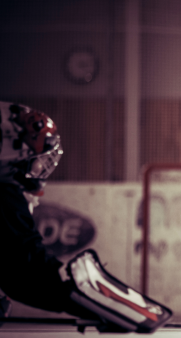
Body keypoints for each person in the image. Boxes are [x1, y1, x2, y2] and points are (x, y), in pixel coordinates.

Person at [0, 101, 171, 332]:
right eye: (29, 157)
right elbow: (27, 274)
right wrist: (86, 299)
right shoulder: (5, 197)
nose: (35, 168)